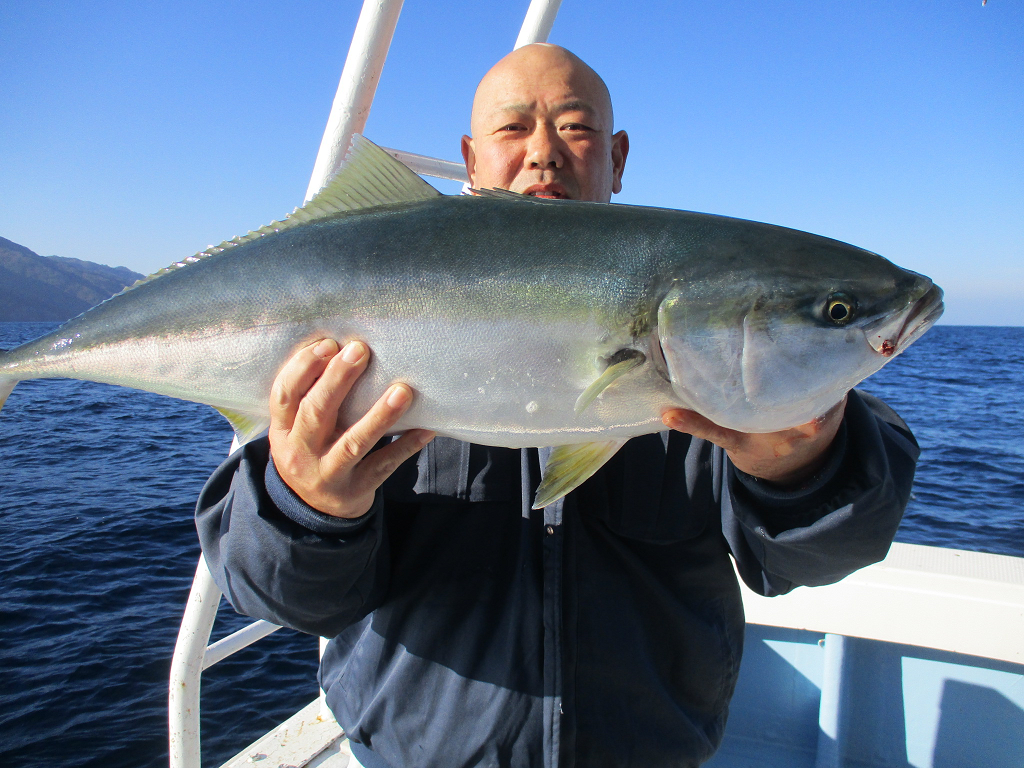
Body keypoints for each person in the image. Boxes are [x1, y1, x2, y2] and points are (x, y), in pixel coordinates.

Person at [196, 44, 918, 768]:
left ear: (618, 156)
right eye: (513, 130)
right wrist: (306, 507)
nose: (543, 152)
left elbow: (819, 557)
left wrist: (806, 468)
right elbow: (273, 592)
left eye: (575, 127)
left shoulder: (726, 383)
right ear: (470, 161)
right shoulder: (363, 315)